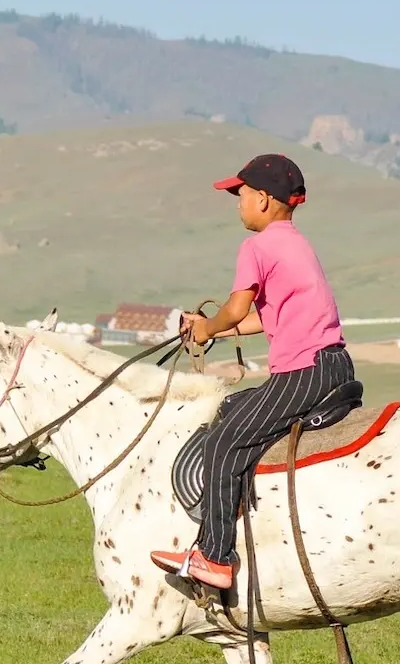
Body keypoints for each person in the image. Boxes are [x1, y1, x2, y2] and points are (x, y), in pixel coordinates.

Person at [150, 154, 354, 589]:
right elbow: (261, 318)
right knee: (232, 407)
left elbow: (237, 308)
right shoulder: (295, 243)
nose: (237, 203)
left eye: (239, 195)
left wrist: (206, 326)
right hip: (331, 366)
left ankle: (215, 558)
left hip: (304, 371)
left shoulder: (256, 247)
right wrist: (210, 334)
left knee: (224, 439)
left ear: (262, 199)